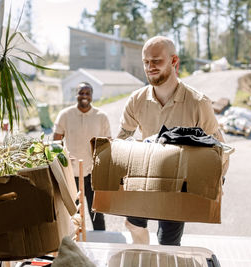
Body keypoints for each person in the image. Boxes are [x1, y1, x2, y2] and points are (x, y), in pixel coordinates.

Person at [117, 36, 228, 246]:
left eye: (156, 61)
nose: (150, 67)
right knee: (133, 224)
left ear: (174, 60)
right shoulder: (136, 100)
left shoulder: (198, 103)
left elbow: (218, 147)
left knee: (168, 243)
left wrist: (218, 179)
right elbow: (122, 139)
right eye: (146, 62)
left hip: (178, 183)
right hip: (145, 176)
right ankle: (144, 254)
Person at [53, 82, 111, 230]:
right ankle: (76, 243)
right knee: (74, 213)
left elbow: (107, 144)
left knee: (97, 212)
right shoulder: (65, 115)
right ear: (76, 95)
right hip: (71, 173)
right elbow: (55, 143)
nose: (84, 96)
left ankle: (100, 243)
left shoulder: (101, 116)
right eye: (81, 93)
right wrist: (63, 159)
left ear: (92, 96)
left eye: (87, 93)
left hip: (92, 173)